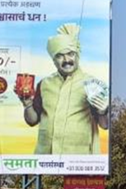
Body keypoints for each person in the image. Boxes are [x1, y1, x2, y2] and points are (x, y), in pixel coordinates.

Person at [18, 23, 109, 154]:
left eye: (70, 54)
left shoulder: (92, 85)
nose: (66, 60)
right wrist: (27, 105)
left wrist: (103, 112)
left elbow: (104, 125)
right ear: (53, 60)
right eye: (59, 55)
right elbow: (32, 121)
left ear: (77, 55)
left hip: (78, 159)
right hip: (46, 158)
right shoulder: (44, 84)